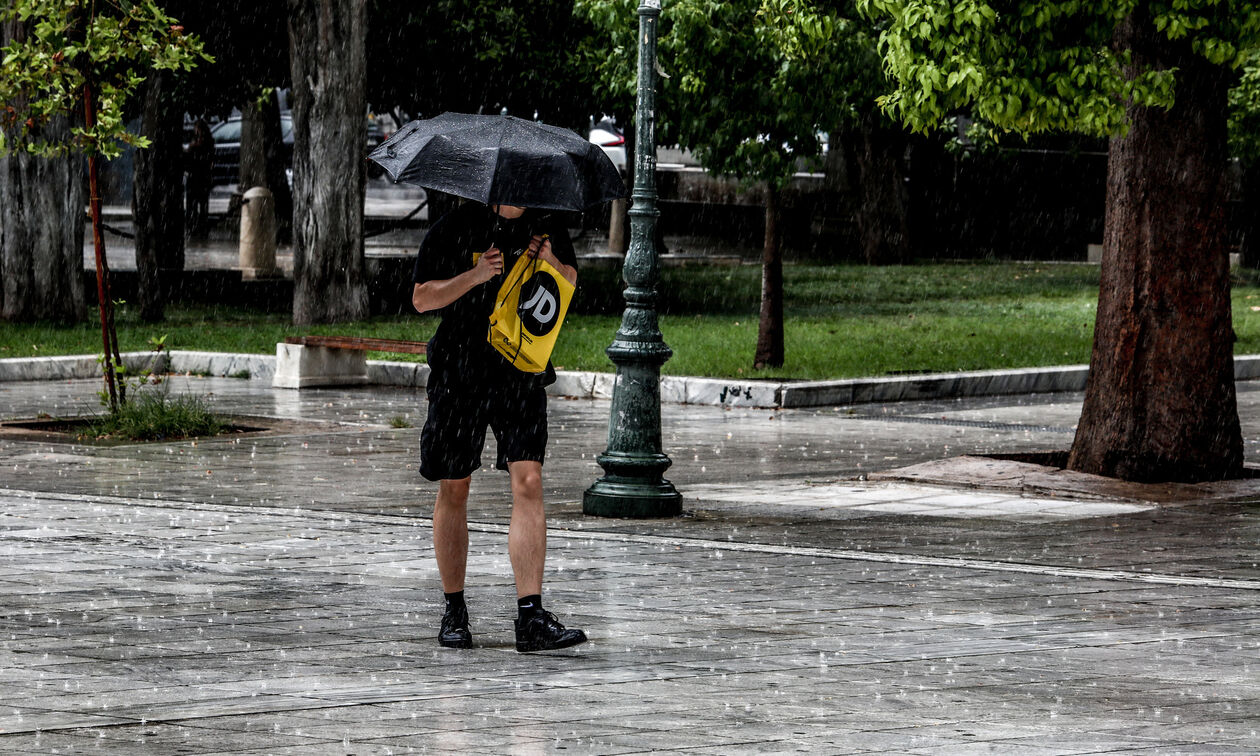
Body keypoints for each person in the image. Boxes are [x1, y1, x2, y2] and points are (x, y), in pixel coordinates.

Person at [412, 200, 586, 653]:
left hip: (520, 369)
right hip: (459, 371)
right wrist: (475, 275)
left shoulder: (545, 226)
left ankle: (530, 616)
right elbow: (421, 298)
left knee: (528, 480)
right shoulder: (456, 227)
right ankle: (455, 608)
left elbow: (569, 283)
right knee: (455, 485)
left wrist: (548, 260)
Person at [184, 118, 213, 236]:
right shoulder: (197, 141)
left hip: (200, 176)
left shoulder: (205, 143)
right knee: (194, 204)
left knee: (200, 203)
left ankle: (199, 226)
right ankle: (194, 226)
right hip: (196, 175)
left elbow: (208, 158)